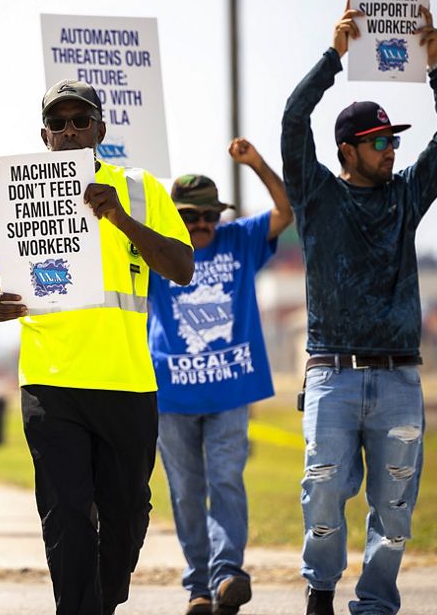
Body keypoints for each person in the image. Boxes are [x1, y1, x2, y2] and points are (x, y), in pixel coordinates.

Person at [0, 80, 194, 615]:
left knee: (126, 515)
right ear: (44, 135)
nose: (69, 131)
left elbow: (182, 269)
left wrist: (120, 218)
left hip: (125, 382)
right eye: (59, 123)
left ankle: (102, 600)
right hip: (50, 382)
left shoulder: (140, 188)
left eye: (80, 121)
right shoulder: (23, 193)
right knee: (66, 513)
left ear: (100, 129)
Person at [281, 3, 437, 615]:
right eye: (377, 142)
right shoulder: (315, 194)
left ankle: (376, 605)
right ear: (347, 150)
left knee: (394, 507)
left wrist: (436, 65)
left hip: (399, 379)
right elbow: (292, 117)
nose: (390, 150)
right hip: (332, 373)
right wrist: (333, 55)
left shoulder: (407, 195)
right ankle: (320, 590)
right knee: (324, 490)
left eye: (391, 141)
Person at [146, 141, 293, 615]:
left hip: (231, 390)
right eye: (190, 217)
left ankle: (227, 573)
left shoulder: (240, 239)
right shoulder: (154, 250)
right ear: (173, 218)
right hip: (171, 394)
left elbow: (285, 211)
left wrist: (256, 164)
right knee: (187, 492)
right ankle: (199, 588)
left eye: (209, 215)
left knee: (226, 480)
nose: (202, 225)